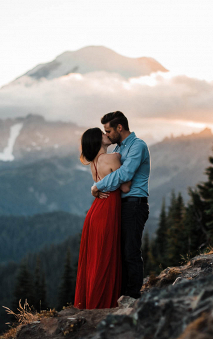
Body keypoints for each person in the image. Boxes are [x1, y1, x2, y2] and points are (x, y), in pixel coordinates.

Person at [91, 111, 150, 300]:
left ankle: (132, 296)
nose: (106, 135)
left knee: (130, 251)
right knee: (119, 251)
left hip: (134, 205)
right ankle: (121, 293)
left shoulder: (137, 146)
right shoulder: (120, 149)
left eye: (108, 131)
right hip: (120, 206)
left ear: (119, 127)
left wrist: (97, 186)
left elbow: (125, 175)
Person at [74, 127, 131, 309]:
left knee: (96, 259)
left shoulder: (94, 163)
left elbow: (100, 185)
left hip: (95, 212)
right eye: (103, 134)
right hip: (106, 212)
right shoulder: (112, 158)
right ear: (98, 141)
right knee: (105, 257)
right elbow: (125, 188)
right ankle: (101, 303)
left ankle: (92, 301)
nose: (107, 135)